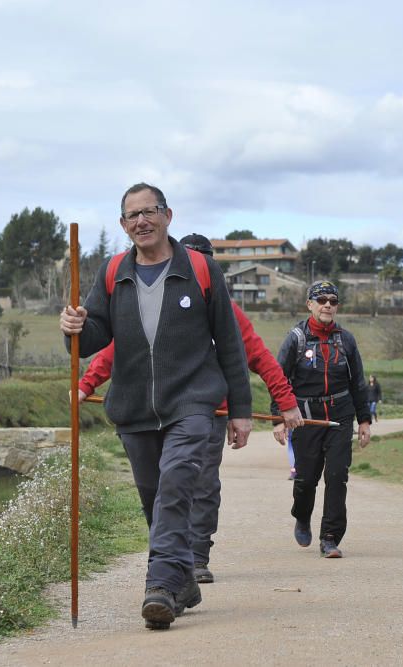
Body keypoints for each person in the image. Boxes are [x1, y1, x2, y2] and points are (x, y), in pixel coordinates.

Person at [60, 182, 254, 630]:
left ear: (169, 216)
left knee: (174, 488)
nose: (142, 221)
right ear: (123, 225)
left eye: (150, 211)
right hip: (134, 409)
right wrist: (73, 326)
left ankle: (160, 587)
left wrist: (240, 411)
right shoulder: (112, 272)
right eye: (133, 215)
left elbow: (230, 344)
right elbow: (93, 339)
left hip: (192, 402)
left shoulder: (201, 270)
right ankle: (183, 578)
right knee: (155, 501)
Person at [77, 233, 303, 586]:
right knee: (165, 488)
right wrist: (85, 385)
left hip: (209, 411)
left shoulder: (229, 312)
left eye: (201, 264)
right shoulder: (153, 302)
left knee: (201, 484)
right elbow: (118, 350)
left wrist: (286, 403)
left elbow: (256, 357)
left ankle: (196, 556)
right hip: (158, 409)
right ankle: (174, 565)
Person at [272, 280, 371, 559]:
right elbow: (278, 380)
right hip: (304, 418)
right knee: (305, 480)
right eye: (322, 299)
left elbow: (358, 383)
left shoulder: (346, 340)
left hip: (340, 415)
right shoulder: (295, 339)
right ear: (310, 305)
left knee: (337, 476)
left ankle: (330, 537)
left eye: (333, 300)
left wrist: (364, 421)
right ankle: (302, 516)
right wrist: (279, 419)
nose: (328, 304)